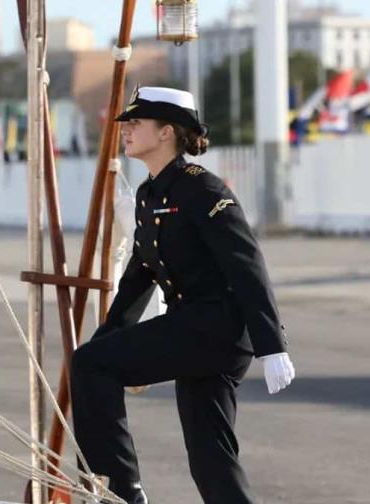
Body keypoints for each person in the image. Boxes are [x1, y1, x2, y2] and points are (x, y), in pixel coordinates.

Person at [70, 86, 295, 504]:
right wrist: (108, 337)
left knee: (90, 365)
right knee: (210, 457)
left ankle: (122, 488)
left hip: (216, 328)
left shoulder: (203, 190)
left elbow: (246, 265)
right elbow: (138, 277)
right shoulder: (148, 194)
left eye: (137, 123)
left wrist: (272, 345)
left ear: (167, 132)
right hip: (194, 327)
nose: (127, 130)